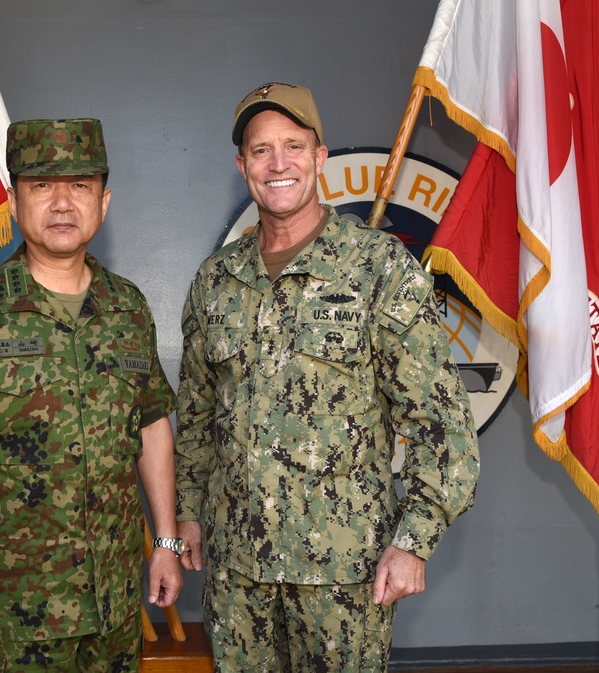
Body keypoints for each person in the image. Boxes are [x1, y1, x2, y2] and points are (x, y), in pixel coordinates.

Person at [174, 82, 480, 672]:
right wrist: (188, 512)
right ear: (243, 167)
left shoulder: (379, 267)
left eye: (293, 145)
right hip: (238, 576)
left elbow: (441, 422)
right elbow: (196, 417)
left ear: (319, 157)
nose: (278, 163)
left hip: (344, 576)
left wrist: (413, 541)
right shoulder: (216, 280)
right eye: (261, 150)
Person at [0, 118, 183, 673]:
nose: (61, 203)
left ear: (104, 201)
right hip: (14, 613)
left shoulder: (128, 307)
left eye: (79, 186)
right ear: (12, 200)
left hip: (115, 606)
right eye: (41, 186)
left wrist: (166, 543)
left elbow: (152, 430)